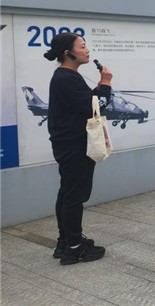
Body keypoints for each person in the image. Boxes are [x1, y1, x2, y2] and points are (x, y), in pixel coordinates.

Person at [44, 33, 112, 265]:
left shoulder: (66, 76)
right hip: (75, 145)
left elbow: (84, 103)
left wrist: (98, 88)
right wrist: (106, 84)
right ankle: (74, 248)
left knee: (67, 192)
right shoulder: (66, 78)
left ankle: (65, 241)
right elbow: (95, 108)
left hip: (67, 143)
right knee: (74, 196)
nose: (87, 50)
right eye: (82, 47)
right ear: (68, 53)